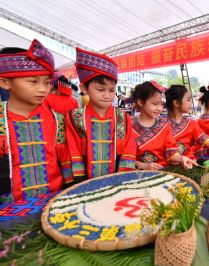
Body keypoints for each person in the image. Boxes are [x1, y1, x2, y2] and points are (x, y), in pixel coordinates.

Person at [0, 40, 72, 201]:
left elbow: (67, 165)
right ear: (5, 82)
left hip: (54, 205)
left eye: (47, 83)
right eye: (33, 81)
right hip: (7, 214)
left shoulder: (57, 120)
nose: (42, 89)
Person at [66, 48, 137, 181]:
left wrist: (122, 181)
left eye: (111, 90)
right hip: (84, 184)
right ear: (84, 88)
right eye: (100, 89)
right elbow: (72, 151)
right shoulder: (75, 117)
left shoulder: (123, 118)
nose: (107, 95)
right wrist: (79, 185)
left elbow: (129, 151)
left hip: (117, 182)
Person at [131, 81, 197, 170]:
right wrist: (143, 166)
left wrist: (182, 158)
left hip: (164, 172)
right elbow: (121, 157)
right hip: (136, 175)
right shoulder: (128, 124)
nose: (159, 108)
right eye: (155, 104)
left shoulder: (164, 125)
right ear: (141, 102)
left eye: (162, 104)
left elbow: (172, 152)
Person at [165, 85, 209, 161]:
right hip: (171, 165)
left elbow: (204, 139)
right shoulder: (162, 125)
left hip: (190, 162)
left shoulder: (191, 123)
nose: (191, 103)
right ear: (176, 103)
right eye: (188, 100)